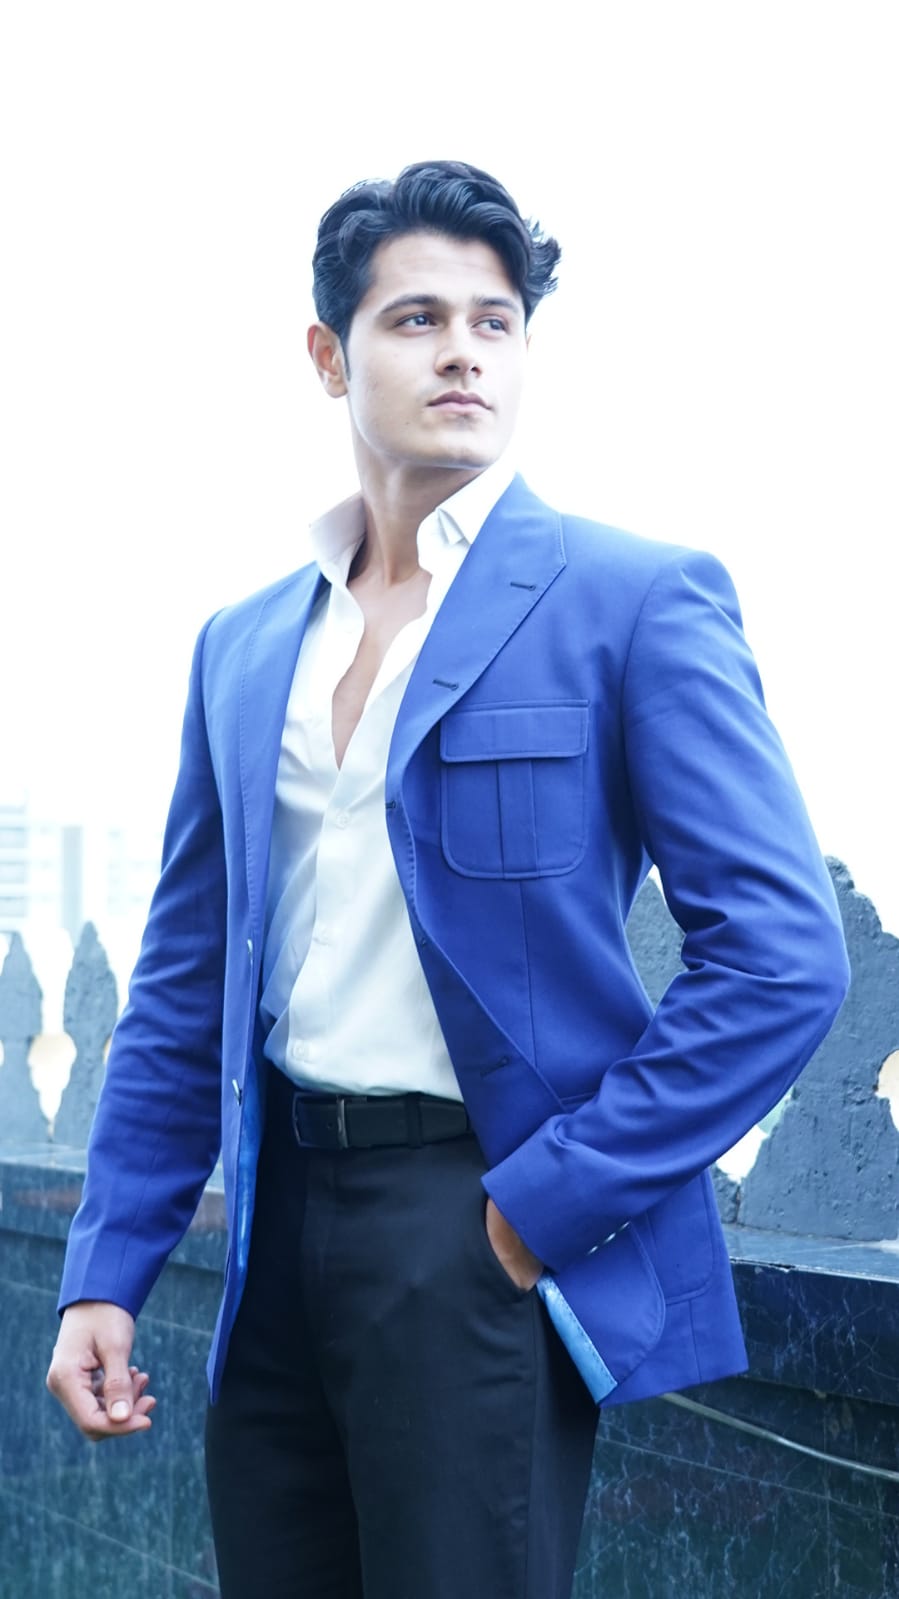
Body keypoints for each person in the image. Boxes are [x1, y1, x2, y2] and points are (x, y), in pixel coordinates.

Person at [47, 160, 849, 1599]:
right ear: (328, 354)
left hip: (475, 1224)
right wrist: (106, 1268)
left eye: (496, 321)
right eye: (416, 318)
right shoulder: (244, 643)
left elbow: (785, 958)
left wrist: (548, 1204)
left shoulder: (634, 599)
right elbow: (181, 982)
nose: (465, 351)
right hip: (274, 1226)